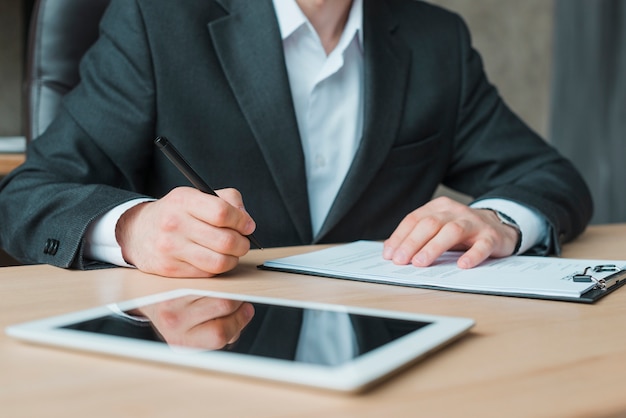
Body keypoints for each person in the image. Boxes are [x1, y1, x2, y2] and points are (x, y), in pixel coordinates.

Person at [0, 0, 592, 278]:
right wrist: (134, 229)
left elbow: (551, 178)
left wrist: (500, 221)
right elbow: (28, 193)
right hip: (203, 352)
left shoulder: (436, 38)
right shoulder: (157, 21)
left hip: (387, 352)